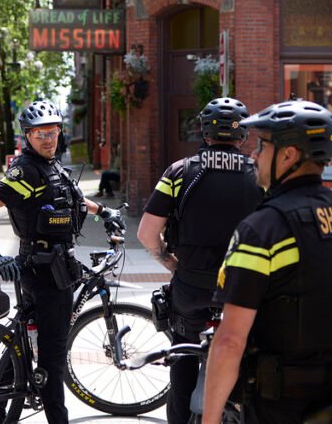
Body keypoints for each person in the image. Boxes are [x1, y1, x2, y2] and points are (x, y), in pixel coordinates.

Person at [201, 99, 332, 424]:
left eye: (262, 145)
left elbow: (230, 340)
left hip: (280, 404)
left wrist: (210, 419)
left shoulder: (263, 229)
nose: (253, 155)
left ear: (288, 155)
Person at [0, 99, 125, 424]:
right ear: (27, 136)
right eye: (39, 133)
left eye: (52, 132)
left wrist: (104, 212)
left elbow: (67, 196)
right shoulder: (26, 169)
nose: (47, 138)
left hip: (57, 267)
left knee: (32, 340)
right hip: (43, 273)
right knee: (53, 361)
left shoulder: (51, 166)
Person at [137, 97, 263, 424]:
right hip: (243, 289)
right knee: (251, 356)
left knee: (182, 357)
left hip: (191, 285)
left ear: (205, 132)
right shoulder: (259, 174)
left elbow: (147, 233)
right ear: (243, 135)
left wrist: (170, 262)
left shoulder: (180, 172)